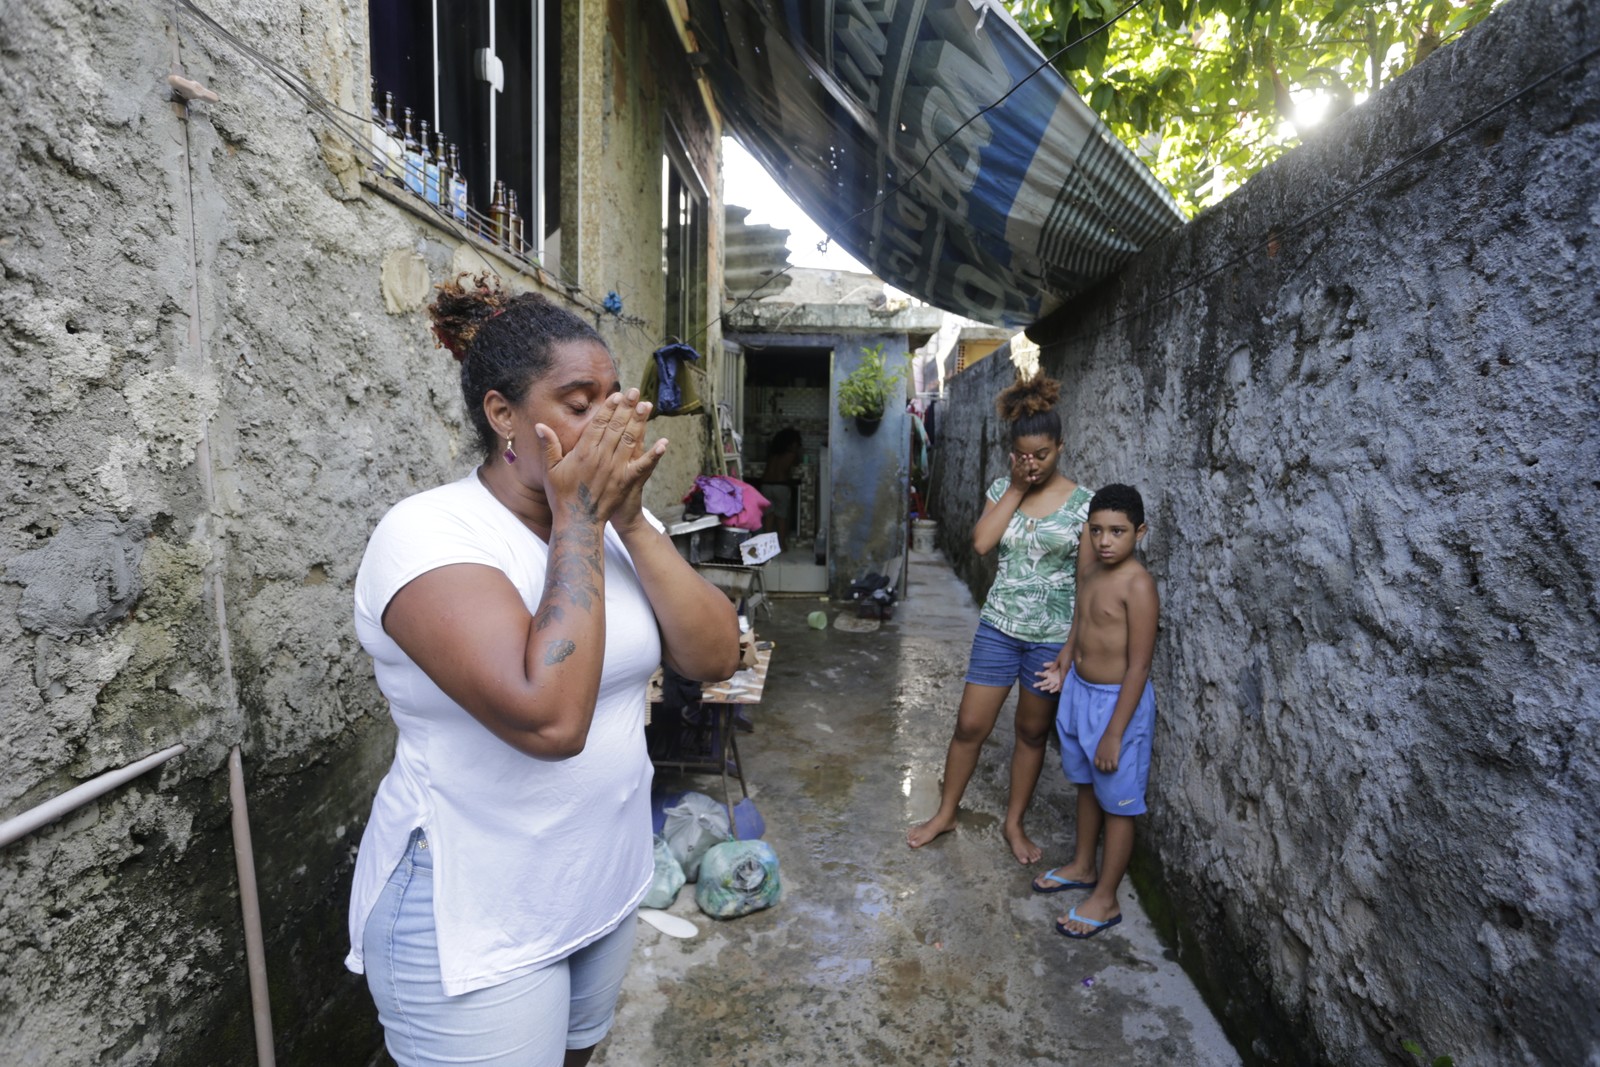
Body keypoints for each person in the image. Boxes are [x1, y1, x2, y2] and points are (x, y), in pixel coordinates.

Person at [345, 274, 740, 1067]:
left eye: (611, 399)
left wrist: (627, 519)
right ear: (503, 416)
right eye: (576, 401)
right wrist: (585, 519)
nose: (605, 422)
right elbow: (552, 719)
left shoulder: (618, 521)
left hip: (597, 879)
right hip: (474, 915)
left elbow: (713, 655)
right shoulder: (428, 534)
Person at [907, 374, 1094, 865]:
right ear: (1012, 452)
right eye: (1023, 455)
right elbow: (982, 543)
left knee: (1032, 733)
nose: (1032, 464)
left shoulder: (1084, 506)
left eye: (1042, 455)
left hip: (1049, 640)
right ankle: (947, 812)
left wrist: (1068, 655)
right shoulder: (1003, 487)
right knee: (970, 725)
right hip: (999, 629)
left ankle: (1014, 824)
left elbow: (1087, 587)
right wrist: (1014, 487)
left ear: (1060, 447)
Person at [1032, 484, 1158, 940]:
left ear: (1140, 533)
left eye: (1118, 532)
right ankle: (1085, 865)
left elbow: (1139, 665)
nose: (1106, 541)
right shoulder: (1091, 571)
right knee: (1086, 785)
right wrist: (1067, 656)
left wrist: (1114, 733)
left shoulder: (1137, 585)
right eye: (1098, 530)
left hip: (1116, 707)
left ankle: (1106, 897)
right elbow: (1082, 623)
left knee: (1118, 805)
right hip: (1080, 695)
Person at [759, 428, 803, 548]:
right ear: (791, 443)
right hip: (781, 486)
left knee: (768, 516)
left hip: (766, 486)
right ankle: (782, 545)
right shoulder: (791, 455)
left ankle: (767, 546)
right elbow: (797, 465)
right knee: (781, 516)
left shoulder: (772, 454)